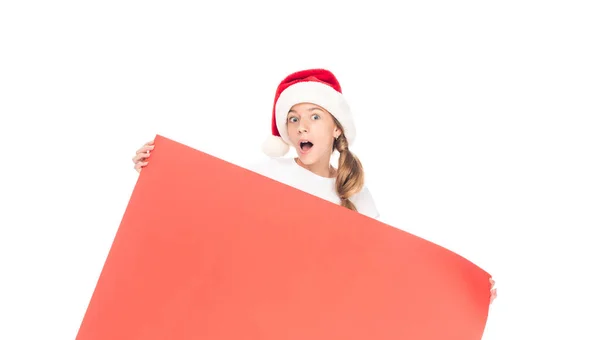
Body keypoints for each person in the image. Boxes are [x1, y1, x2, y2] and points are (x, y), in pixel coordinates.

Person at [131, 68, 497, 304]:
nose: (301, 126)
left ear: (336, 128)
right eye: (293, 119)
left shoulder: (356, 196)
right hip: (256, 308)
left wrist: (466, 296)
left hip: (315, 324)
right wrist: (157, 170)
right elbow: (205, 211)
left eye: (314, 116)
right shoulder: (267, 173)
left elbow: (385, 273)